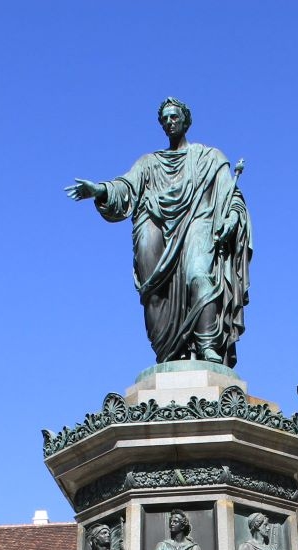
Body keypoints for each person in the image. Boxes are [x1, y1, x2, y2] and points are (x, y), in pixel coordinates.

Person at [65, 97, 252, 366]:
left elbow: (232, 196)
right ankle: (168, 352)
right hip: (155, 225)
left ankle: (207, 344)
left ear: (186, 120)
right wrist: (100, 190)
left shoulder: (210, 158)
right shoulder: (149, 163)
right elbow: (126, 187)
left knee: (199, 274)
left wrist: (232, 218)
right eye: (164, 119)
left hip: (198, 222)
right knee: (152, 292)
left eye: (174, 117)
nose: (169, 122)